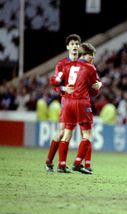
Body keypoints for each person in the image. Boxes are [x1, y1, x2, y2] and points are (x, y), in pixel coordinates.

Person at [51, 43, 102, 174]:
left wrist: (62, 88)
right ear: (84, 55)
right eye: (91, 55)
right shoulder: (90, 68)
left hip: (68, 102)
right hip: (81, 102)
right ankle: (78, 163)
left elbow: (55, 81)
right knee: (87, 135)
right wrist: (99, 85)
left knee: (67, 133)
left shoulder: (67, 66)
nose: (93, 58)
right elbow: (94, 89)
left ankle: (61, 165)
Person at [45, 34, 82, 172]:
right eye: (72, 44)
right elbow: (55, 83)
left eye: (77, 44)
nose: (75, 46)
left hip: (77, 102)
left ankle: (54, 162)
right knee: (63, 132)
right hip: (67, 101)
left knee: (65, 132)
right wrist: (63, 88)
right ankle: (56, 163)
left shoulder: (83, 64)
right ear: (68, 47)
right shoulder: (62, 64)